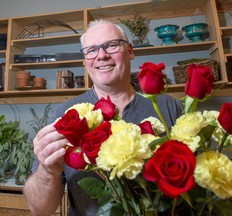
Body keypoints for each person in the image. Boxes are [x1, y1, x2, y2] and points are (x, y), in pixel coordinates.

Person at [23, 19, 183, 216]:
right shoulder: (65, 116)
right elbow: (40, 209)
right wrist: (48, 172)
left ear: (130, 51)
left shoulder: (167, 106)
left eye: (111, 45)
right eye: (91, 50)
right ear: (85, 60)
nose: (101, 55)